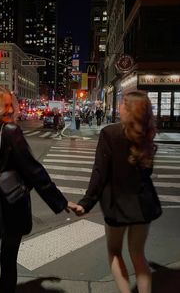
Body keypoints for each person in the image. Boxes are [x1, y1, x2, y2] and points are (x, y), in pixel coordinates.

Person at [0, 86, 76, 293]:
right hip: (9, 211)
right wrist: (61, 201)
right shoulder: (11, 132)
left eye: (10, 104)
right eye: (3, 105)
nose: (10, 110)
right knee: (7, 265)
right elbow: (34, 171)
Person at [74, 91, 162, 293]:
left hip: (117, 204)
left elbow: (99, 173)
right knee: (139, 255)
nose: (119, 107)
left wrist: (86, 203)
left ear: (128, 109)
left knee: (114, 252)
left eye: (122, 104)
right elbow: (147, 171)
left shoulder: (110, 134)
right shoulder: (147, 134)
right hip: (142, 203)